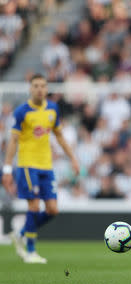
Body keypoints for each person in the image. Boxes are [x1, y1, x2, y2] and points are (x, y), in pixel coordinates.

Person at [2, 74, 80, 264]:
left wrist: (73, 158)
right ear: (30, 89)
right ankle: (30, 251)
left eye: (43, 86)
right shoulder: (22, 112)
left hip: (47, 165)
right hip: (28, 165)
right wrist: (7, 169)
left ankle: (21, 234)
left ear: (46, 89)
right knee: (34, 206)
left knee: (52, 210)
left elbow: (59, 136)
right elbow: (13, 140)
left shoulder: (53, 109)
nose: (39, 89)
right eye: (36, 86)